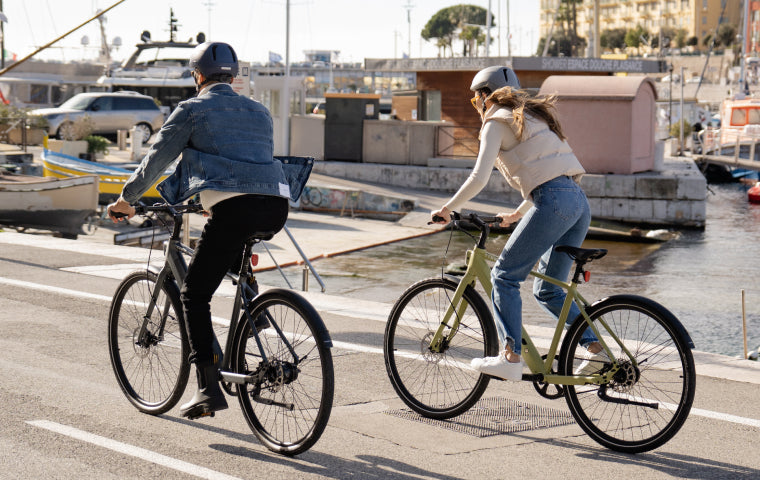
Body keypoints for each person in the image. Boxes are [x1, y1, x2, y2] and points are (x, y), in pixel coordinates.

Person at [107, 42, 299, 419]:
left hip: (235, 209)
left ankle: (209, 389)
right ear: (233, 76)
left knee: (194, 294)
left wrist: (127, 198)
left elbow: (157, 159)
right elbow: (247, 161)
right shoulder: (260, 112)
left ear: (197, 75)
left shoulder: (192, 110)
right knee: (228, 249)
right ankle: (254, 309)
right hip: (276, 205)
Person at [431, 66, 601, 381]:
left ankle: (510, 356)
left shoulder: (496, 121)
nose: (477, 106)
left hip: (553, 201)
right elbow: (553, 174)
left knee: (504, 276)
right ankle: (596, 349)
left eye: (475, 100)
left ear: (484, 95)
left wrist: (446, 208)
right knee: (549, 290)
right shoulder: (531, 118)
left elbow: (478, 177)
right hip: (577, 202)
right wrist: (517, 214)